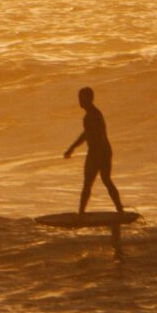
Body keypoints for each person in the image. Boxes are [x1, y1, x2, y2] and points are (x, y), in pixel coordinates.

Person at [62, 86, 124, 216]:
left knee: (90, 182)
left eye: (82, 98)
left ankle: (81, 213)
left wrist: (72, 149)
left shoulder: (92, 115)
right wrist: (72, 148)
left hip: (98, 152)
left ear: (89, 99)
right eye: (79, 98)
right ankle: (119, 209)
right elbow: (86, 134)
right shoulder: (93, 114)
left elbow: (89, 135)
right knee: (105, 180)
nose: (79, 101)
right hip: (104, 150)